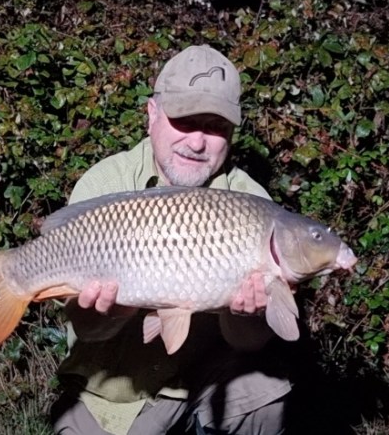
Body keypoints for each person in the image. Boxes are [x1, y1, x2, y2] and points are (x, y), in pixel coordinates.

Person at [50, 45, 291, 435]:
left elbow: (250, 343)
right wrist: (112, 311)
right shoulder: (106, 185)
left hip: (207, 381)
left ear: (231, 133)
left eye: (215, 127)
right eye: (185, 121)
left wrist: (243, 314)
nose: (197, 143)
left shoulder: (252, 205)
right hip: (118, 390)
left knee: (263, 397)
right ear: (152, 114)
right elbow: (86, 329)